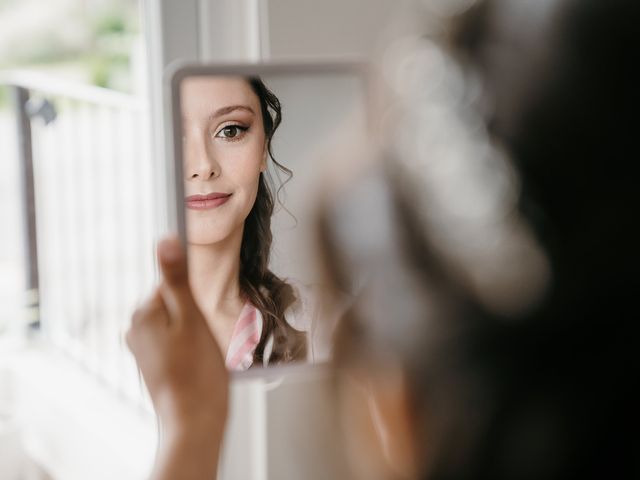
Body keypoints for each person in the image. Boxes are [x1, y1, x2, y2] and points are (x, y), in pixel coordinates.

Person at [127, 0, 638, 478]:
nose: (201, 168)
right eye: (181, 136)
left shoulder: (300, 325)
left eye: (231, 130)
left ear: (399, 412)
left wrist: (188, 439)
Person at [180, 76, 307, 370]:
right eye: (175, 136)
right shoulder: (108, 335)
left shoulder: (318, 321)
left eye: (230, 130)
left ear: (263, 149)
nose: (203, 166)